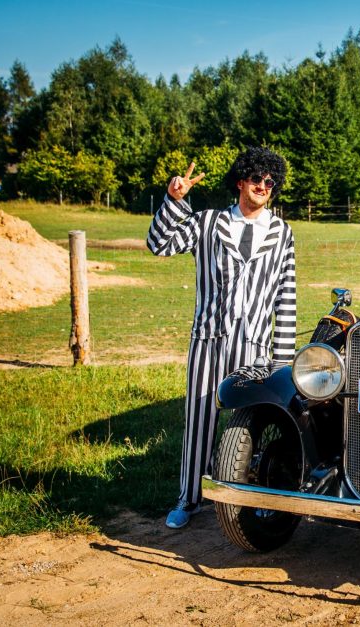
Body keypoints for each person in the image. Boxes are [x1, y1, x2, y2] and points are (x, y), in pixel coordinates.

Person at [147, 146, 296, 529]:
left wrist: (282, 357)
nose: (265, 185)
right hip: (210, 340)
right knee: (199, 419)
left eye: (271, 181)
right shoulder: (207, 222)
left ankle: (248, 498)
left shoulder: (282, 233)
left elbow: (286, 293)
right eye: (258, 178)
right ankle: (188, 499)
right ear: (241, 181)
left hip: (258, 345)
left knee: (257, 421)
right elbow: (160, 244)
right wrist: (175, 200)